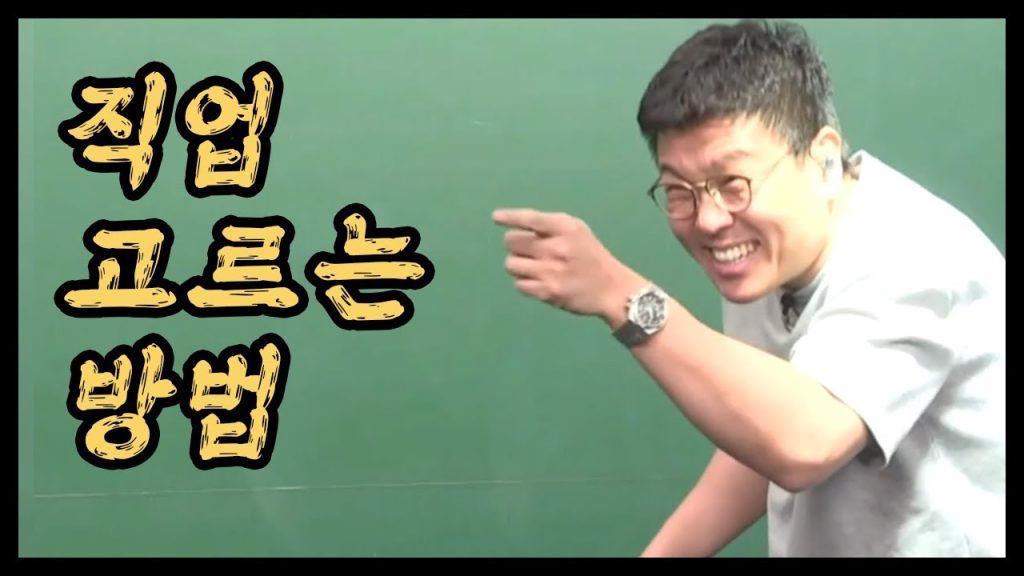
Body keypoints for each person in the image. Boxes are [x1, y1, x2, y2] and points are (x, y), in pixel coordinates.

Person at [492, 19, 1005, 557]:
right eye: (679, 190)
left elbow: (806, 439)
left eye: (733, 184)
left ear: (824, 160)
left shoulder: (915, 255)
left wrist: (625, 298)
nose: (710, 220)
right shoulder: (771, 252)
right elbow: (761, 425)